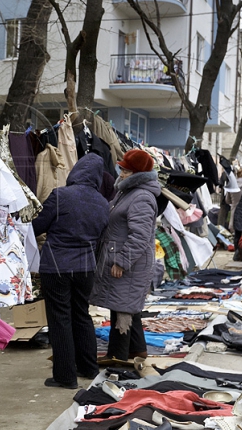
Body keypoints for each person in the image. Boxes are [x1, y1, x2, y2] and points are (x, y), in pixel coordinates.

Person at [31, 153, 109, 389]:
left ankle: (65, 376)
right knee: (81, 314)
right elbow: (101, 239)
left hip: (57, 266)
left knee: (60, 319)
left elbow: (37, 225)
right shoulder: (103, 203)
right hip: (86, 268)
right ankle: (88, 367)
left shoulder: (61, 195)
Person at [90, 149, 160, 363]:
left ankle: (117, 356)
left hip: (131, 263)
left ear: (138, 174)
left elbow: (140, 236)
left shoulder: (141, 197)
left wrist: (122, 261)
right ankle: (137, 350)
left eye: (126, 170)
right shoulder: (128, 192)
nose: (121, 173)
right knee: (126, 304)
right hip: (126, 260)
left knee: (122, 307)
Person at [225, 167, 242, 260]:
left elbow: (227, 200)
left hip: (235, 209)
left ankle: (237, 252)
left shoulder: (232, 184)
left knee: (237, 233)